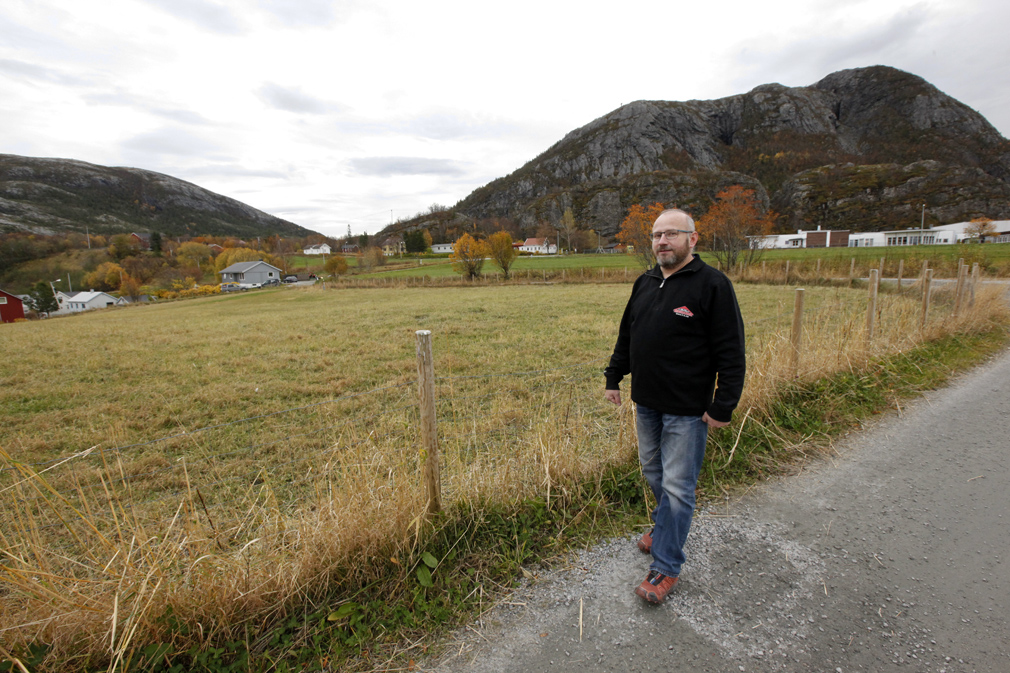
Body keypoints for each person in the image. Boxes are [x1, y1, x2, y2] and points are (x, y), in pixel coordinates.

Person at [604, 208, 745, 604]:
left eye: (671, 235)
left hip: (687, 410)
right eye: (656, 235)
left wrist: (723, 405)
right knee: (654, 471)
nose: (662, 242)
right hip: (646, 403)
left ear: (693, 239)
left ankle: (666, 565)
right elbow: (627, 336)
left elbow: (731, 351)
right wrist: (614, 377)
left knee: (678, 487)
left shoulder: (712, 285)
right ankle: (664, 526)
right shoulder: (646, 281)